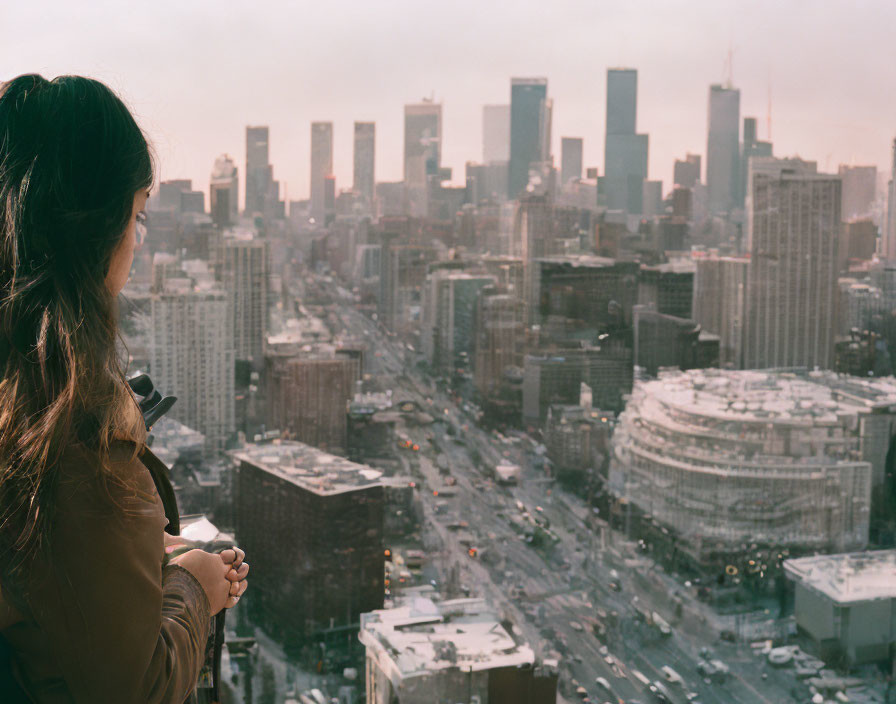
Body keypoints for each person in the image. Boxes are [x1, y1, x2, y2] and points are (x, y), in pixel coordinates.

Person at [0, 73, 248, 702]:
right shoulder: (64, 433)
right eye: (136, 216)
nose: (138, 244)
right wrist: (194, 584)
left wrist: (131, 551)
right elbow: (138, 686)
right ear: (91, 228)